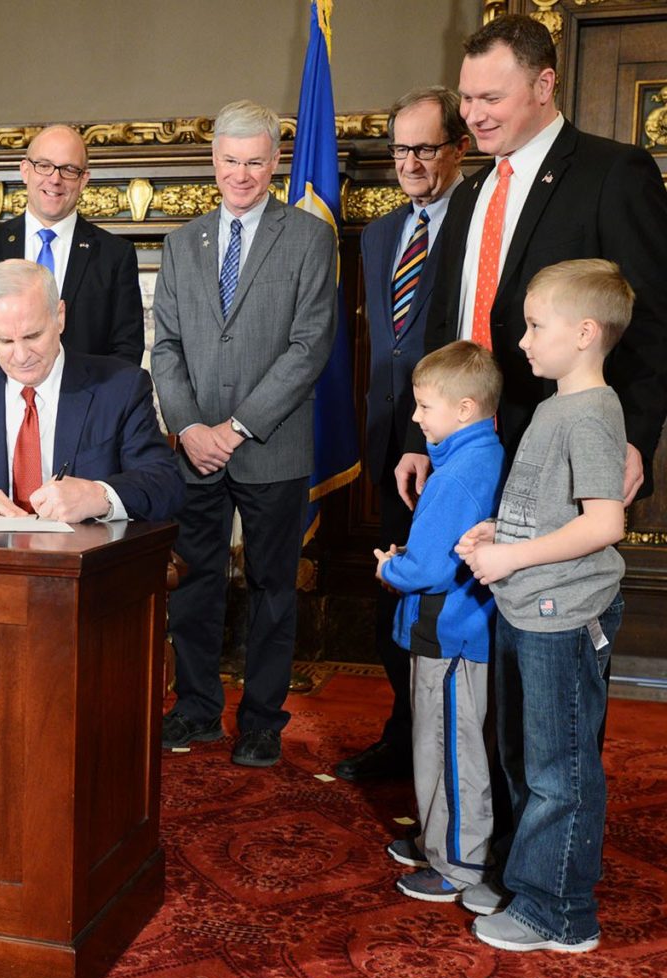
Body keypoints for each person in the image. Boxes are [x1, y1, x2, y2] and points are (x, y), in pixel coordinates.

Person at [399, 14, 667, 508]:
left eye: (491, 99)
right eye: (468, 98)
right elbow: (443, 325)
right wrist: (421, 438)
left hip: (562, 449)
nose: (473, 116)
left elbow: (650, 321)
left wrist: (632, 438)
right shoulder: (468, 194)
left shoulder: (613, 173)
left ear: (543, 85)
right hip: (458, 448)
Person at [151, 100, 336, 769]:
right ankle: (197, 709)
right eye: (230, 161)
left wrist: (237, 426)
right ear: (214, 161)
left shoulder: (309, 238)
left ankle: (261, 720)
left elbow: (310, 347)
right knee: (196, 583)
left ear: (276, 162)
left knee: (272, 589)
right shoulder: (183, 242)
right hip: (195, 451)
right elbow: (165, 348)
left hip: (271, 448)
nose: (242, 174)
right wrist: (192, 428)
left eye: (256, 161)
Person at [459, 259, 632, 952]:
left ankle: (559, 913)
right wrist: (498, 533)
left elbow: (604, 524)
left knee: (560, 770)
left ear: (585, 332)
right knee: (525, 758)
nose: (522, 341)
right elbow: (548, 511)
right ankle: (525, 876)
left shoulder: (592, 412)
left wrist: (511, 558)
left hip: (562, 617)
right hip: (528, 607)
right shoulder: (557, 405)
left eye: (535, 326)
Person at [335, 88, 471, 783]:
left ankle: (449, 749)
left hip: (457, 446)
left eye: (424, 147)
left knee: (447, 598)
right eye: (400, 150)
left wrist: (433, 437)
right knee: (396, 590)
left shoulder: (478, 222)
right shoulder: (385, 233)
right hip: (393, 443)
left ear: (458, 148)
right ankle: (404, 733)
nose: (410, 162)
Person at [375, 341, 504, 902]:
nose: (414, 416)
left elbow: (426, 567)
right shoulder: (475, 456)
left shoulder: (456, 474)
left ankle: (458, 862)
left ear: (465, 409)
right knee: (437, 740)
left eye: (424, 406)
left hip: (448, 632)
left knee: (450, 748)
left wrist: (391, 567)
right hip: (450, 627)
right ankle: (437, 837)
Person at [0, 259, 184, 523]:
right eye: (5, 340)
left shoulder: (120, 388)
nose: (21, 356)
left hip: (85, 557)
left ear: (59, 317)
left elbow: (165, 484)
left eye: (33, 336)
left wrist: (99, 496)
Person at [0, 124, 143, 369]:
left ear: (83, 180)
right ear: (25, 170)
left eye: (69, 169)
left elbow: (127, 347)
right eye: (44, 166)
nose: (55, 179)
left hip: (85, 401)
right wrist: (2, 393)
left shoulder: (115, 255)